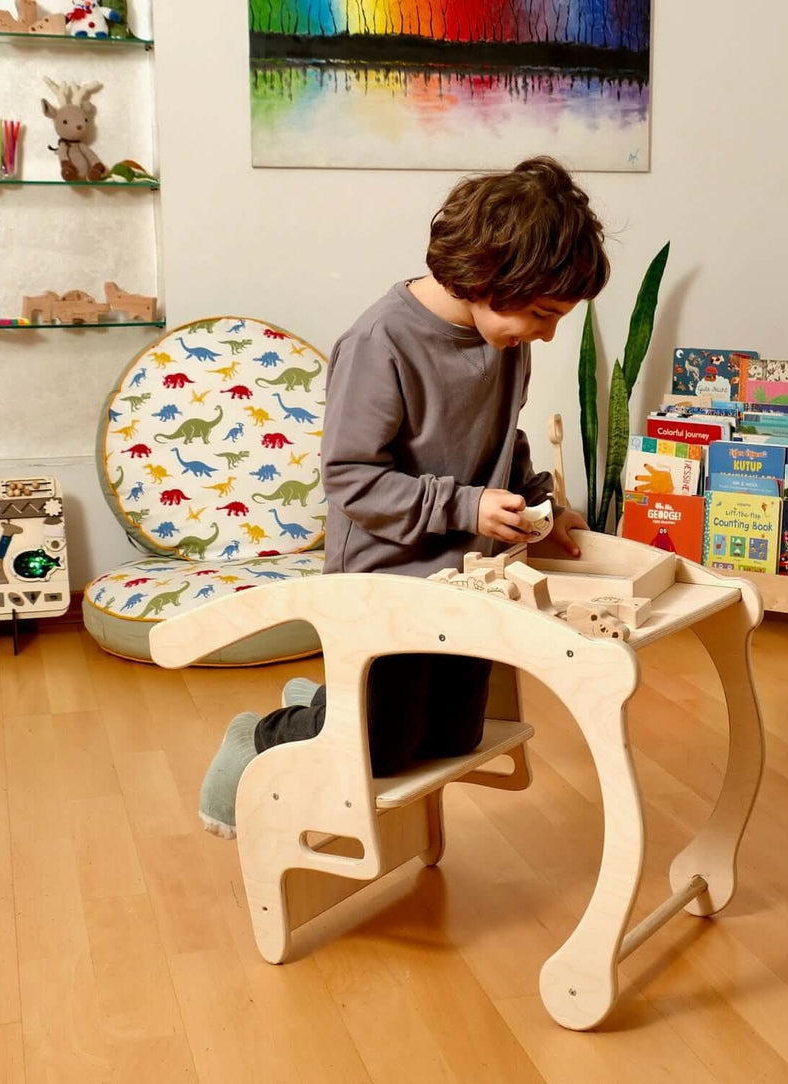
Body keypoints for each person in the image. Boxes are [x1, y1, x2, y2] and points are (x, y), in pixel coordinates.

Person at [199, 156, 610, 837]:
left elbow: (504, 441)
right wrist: (465, 506)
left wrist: (542, 502)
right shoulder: (379, 341)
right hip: (384, 579)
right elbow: (351, 478)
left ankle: (333, 703)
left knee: (453, 738)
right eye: (542, 314)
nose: (547, 333)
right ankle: (264, 734)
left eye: (558, 318)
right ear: (487, 276)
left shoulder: (507, 342)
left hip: (464, 579)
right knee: (382, 749)